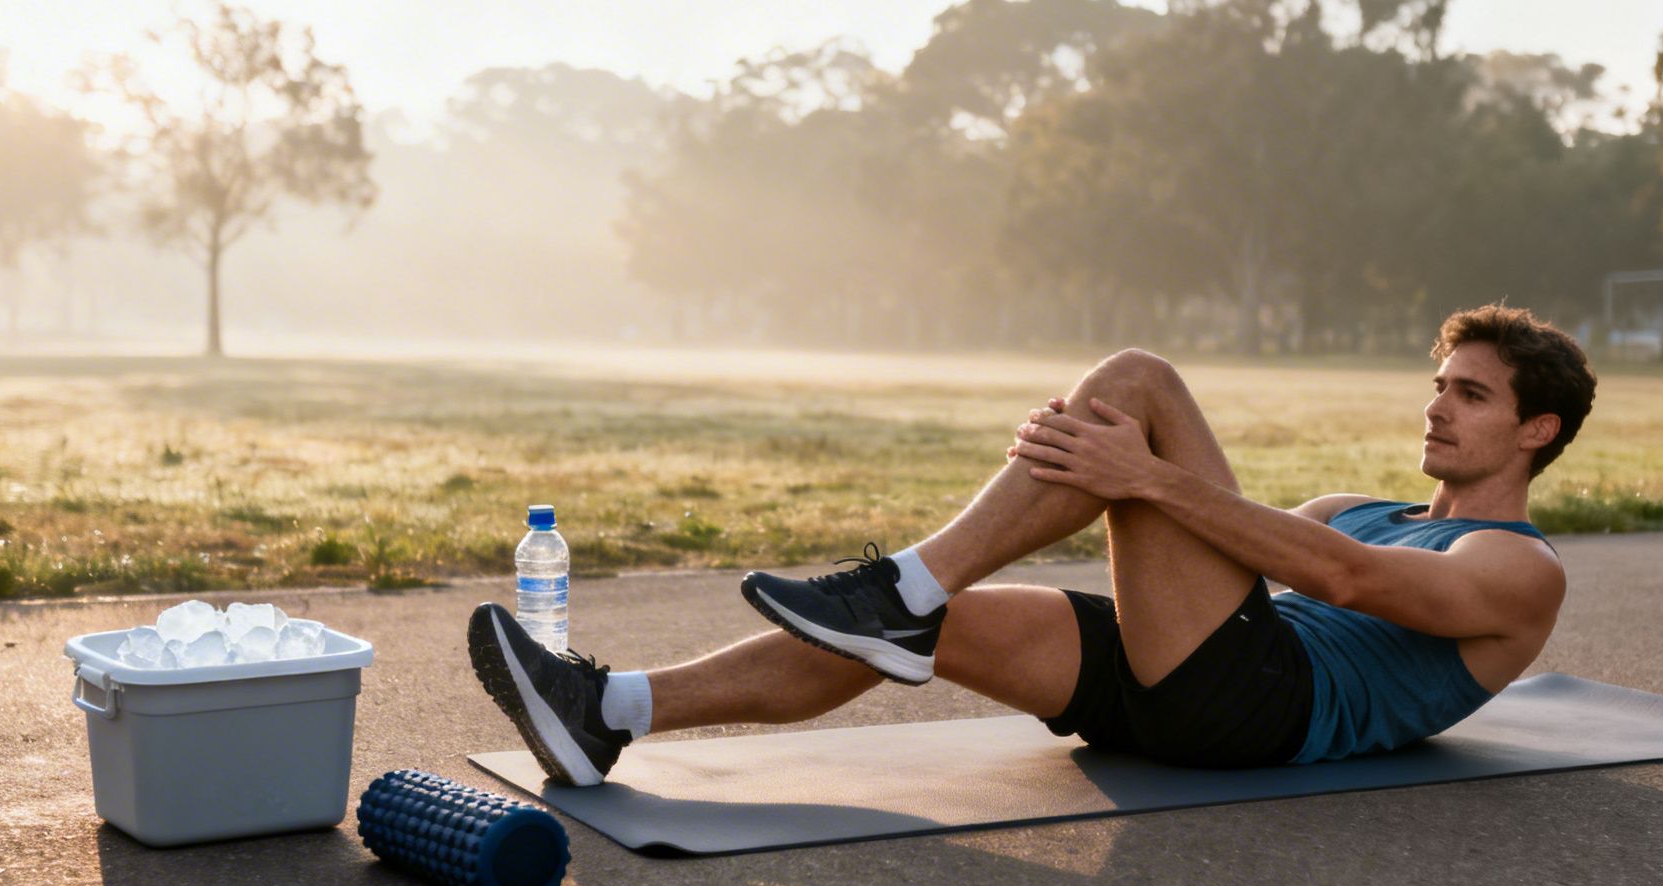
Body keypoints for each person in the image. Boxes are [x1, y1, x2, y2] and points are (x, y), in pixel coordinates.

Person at [467, 304, 1597, 787]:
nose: (1436, 408)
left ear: (1534, 430)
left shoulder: (1517, 567)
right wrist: (1113, 483)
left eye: (1469, 395)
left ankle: (901, 582)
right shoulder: (1360, 501)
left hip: (1264, 709)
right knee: (922, 636)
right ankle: (602, 714)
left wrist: (1135, 474)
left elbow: (1343, 583)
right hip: (1193, 670)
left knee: (1138, 385)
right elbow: (1239, 561)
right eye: (1435, 385)